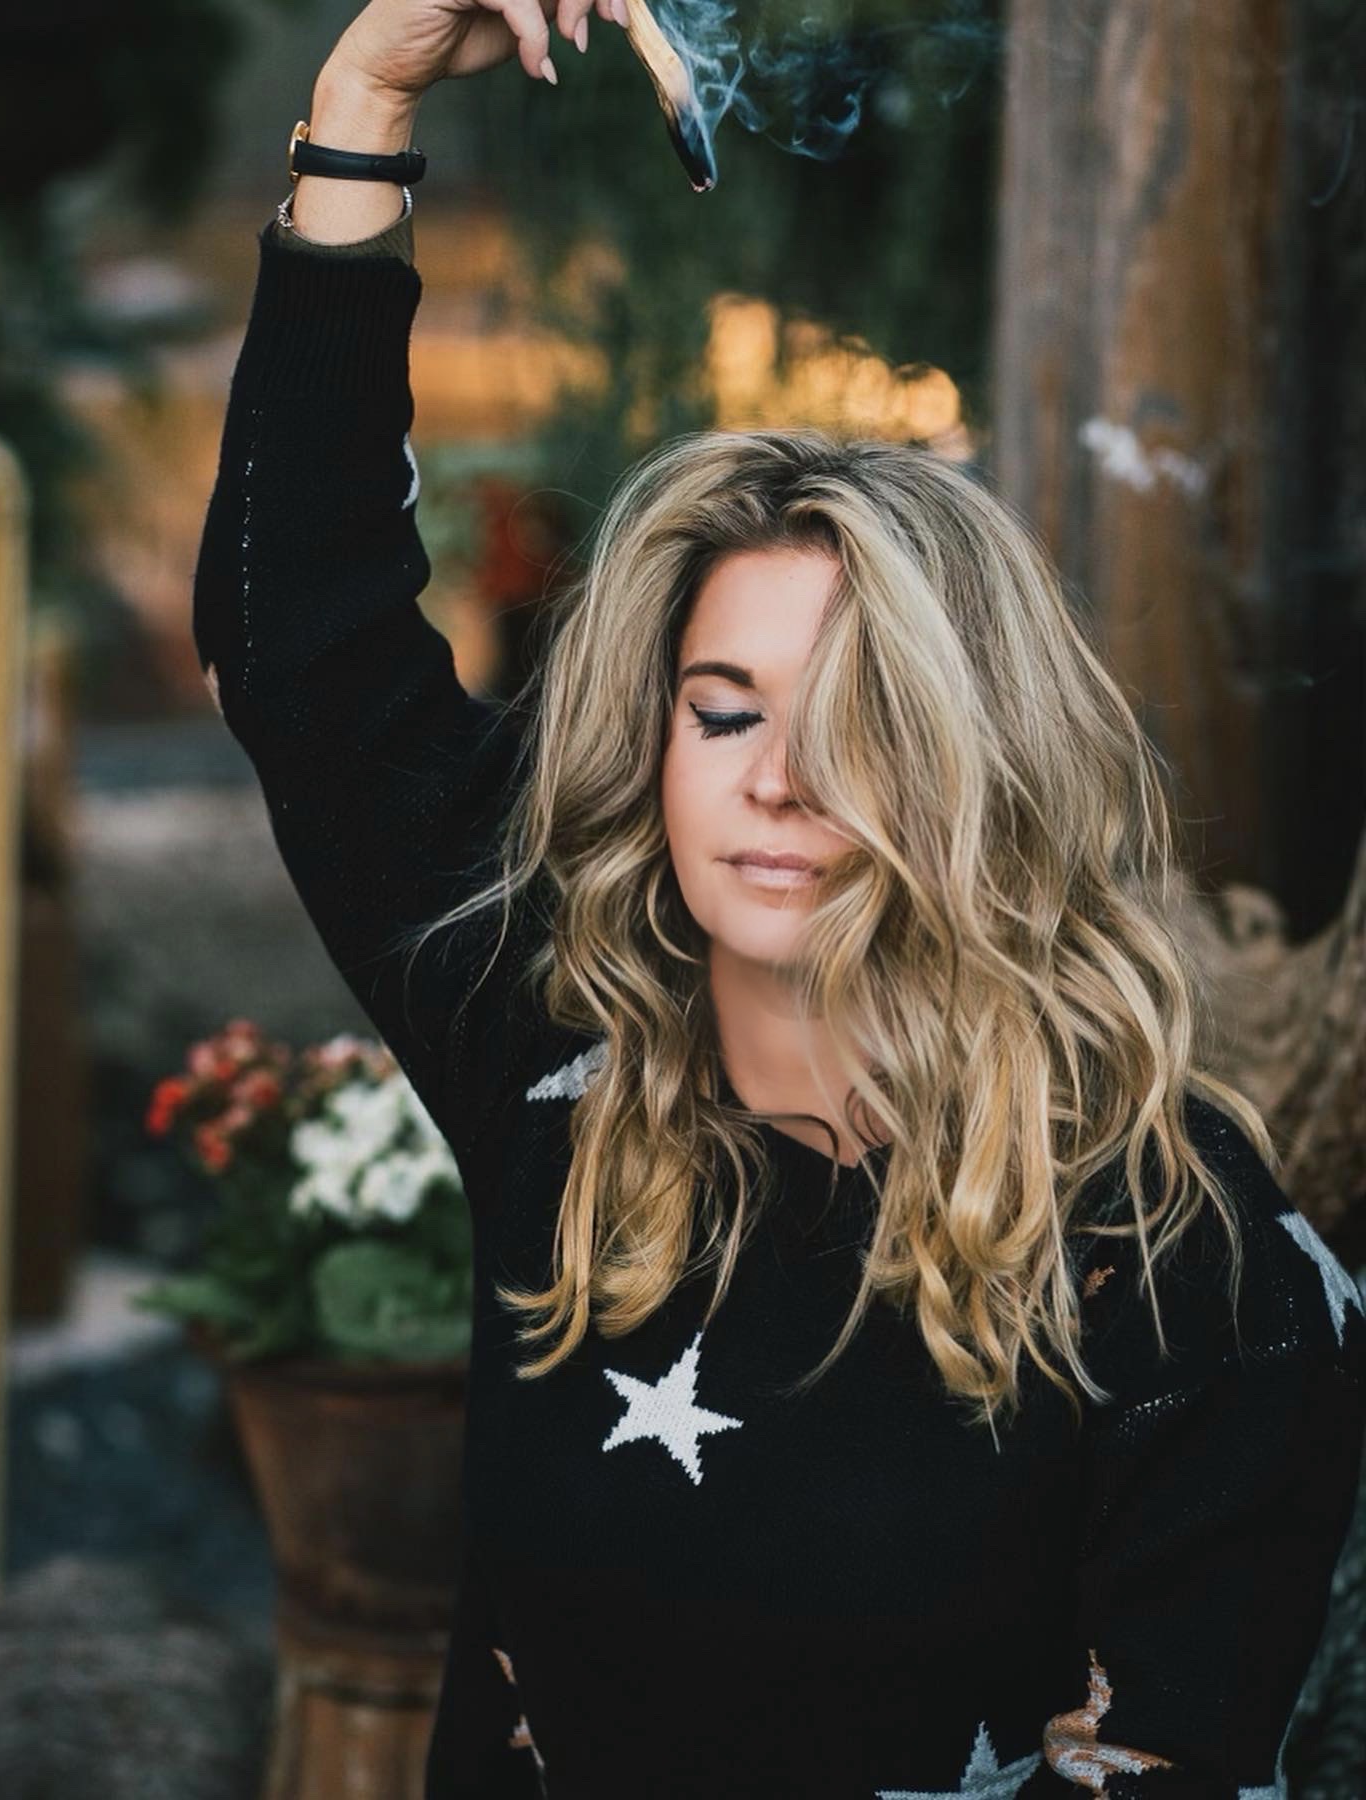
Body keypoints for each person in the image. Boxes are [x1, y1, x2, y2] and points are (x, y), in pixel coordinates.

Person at [191, 3, 1366, 1794]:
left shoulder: (1182, 1251)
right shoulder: (554, 1065)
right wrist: (364, 101)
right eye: (722, 709)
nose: (778, 782)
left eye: (864, 725)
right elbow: (306, 645)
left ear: (979, 765)